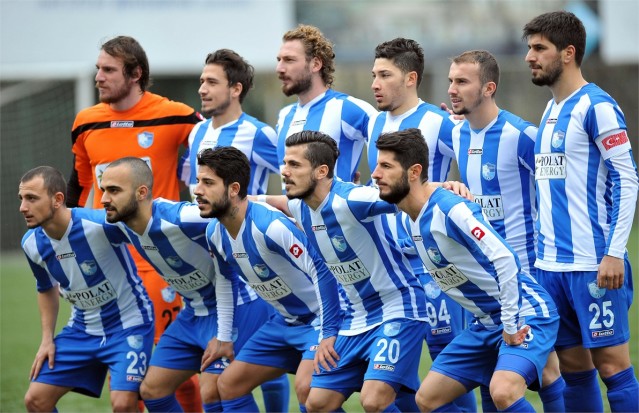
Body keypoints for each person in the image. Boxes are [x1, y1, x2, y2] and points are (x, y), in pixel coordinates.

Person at [371, 128, 560, 412]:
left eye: (386, 166)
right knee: (427, 399)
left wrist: (509, 322)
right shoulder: (408, 216)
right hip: (483, 324)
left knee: (503, 392)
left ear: (413, 172)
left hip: (524, 311)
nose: (375, 173)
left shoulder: (451, 209)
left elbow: (506, 259)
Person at [66, 35, 203, 411]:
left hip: (162, 261)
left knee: (173, 366)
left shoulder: (176, 115)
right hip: (111, 261)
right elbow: (78, 189)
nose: (99, 77)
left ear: (135, 73)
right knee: (128, 372)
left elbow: (217, 147)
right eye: (98, 68)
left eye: (108, 70)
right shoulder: (86, 123)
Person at [523, 11, 639, 412]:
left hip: (593, 264)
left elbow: (628, 179)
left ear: (568, 53)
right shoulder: (551, 110)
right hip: (551, 267)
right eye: (529, 48)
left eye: (539, 48)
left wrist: (614, 251)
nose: (529, 57)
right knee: (575, 371)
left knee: (613, 369)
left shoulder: (597, 107)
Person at [265, 131, 429, 412]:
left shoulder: (353, 200)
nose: (284, 171)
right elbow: (265, 202)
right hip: (354, 320)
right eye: (285, 163)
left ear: (321, 171)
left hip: (398, 309)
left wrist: (446, 185)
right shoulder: (300, 207)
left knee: (374, 400)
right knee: (316, 403)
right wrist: (328, 332)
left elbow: (410, 189)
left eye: (294, 165)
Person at [99, 157, 275, 413]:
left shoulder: (181, 217)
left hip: (238, 307)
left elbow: (235, 205)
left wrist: (282, 201)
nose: (104, 199)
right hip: (192, 314)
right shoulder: (118, 222)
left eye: (113, 190)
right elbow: (70, 222)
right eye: (103, 189)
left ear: (141, 193)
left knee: (214, 390)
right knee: (152, 390)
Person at [445, 49, 566, 412]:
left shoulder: (523, 135)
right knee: (489, 372)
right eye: (451, 80)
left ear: (489, 88)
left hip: (526, 275)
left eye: (462, 81)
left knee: (546, 372)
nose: (452, 88)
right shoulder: (457, 134)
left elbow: (559, 191)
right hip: (482, 280)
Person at [368, 38, 476, 412]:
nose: (375, 83)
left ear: (410, 78)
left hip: (435, 265)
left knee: (451, 367)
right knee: (392, 375)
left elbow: (474, 165)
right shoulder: (375, 122)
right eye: (374, 75)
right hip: (391, 269)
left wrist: (459, 186)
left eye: (385, 75)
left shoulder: (438, 122)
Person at [194, 147, 343, 413]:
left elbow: (322, 269)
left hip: (319, 320)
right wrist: (224, 337)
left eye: (207, 183)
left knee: (307, 389)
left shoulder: (270, 226)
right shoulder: (214, 232)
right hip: (282, 323)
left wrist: (327, 330)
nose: (197, 190)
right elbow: (226, 283)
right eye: (198, 181)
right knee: (228, 385)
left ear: (233, 189)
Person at [20, 166, 155, 412]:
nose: (23, 207)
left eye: (32, 198)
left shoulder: (100, 225)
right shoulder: (31, 244)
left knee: (124, 404)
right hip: (81, 330)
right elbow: (45, 288)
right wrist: (46, 340)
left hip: (130, 324)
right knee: (35, 400)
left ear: (58, 199)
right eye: (21, 199)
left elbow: (147, 229)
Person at [275, 24, 377, 183]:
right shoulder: (284, 115)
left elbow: (392, 160)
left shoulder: (349, 108)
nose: (279, 68)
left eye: (289, 60)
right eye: (279, 60)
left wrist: (364, 198)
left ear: (315, 64)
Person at [179, 49, 280, 199]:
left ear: (236, 89)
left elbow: (299, 177)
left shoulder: (258, 133)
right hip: (199, 223)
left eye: (212, 82)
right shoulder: (197, 131)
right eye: (202, 82)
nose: (202, 90)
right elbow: (183, 179)